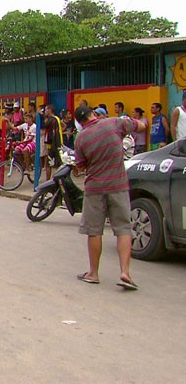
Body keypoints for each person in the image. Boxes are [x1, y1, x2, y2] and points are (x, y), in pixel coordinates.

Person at [73, 105, 146, 290]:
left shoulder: (81, 138)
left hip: (95, 188)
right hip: (118, 185)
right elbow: (140, 126)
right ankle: (125, 273)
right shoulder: (114, 123)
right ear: (93, 114)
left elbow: (80, 166)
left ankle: (93, 273)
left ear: (80, 122)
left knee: (94, 230)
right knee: (123, 229)